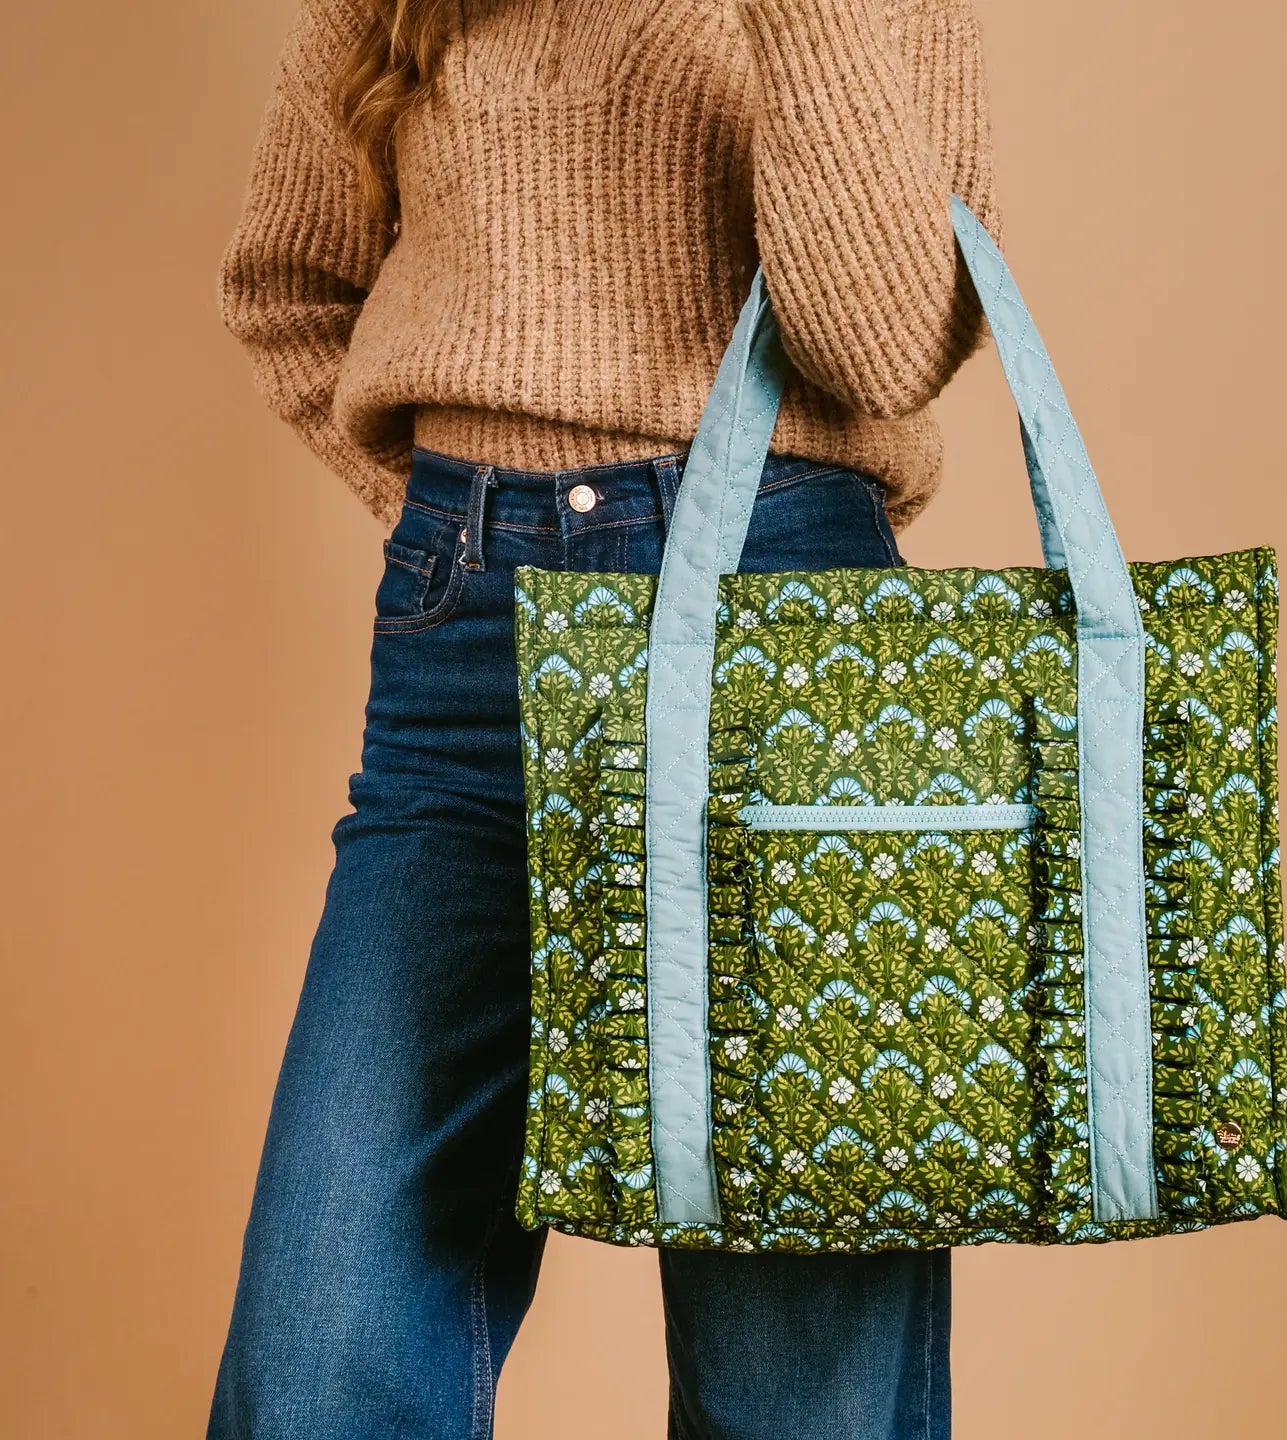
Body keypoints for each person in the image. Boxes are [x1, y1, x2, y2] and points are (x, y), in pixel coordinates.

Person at [207, 2, 1002, 1436]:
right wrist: (446, 523)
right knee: (320, 1359)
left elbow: (883, 350)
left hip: (783, 643)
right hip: (470, 651)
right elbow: (287, 285)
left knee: (798, 1396)